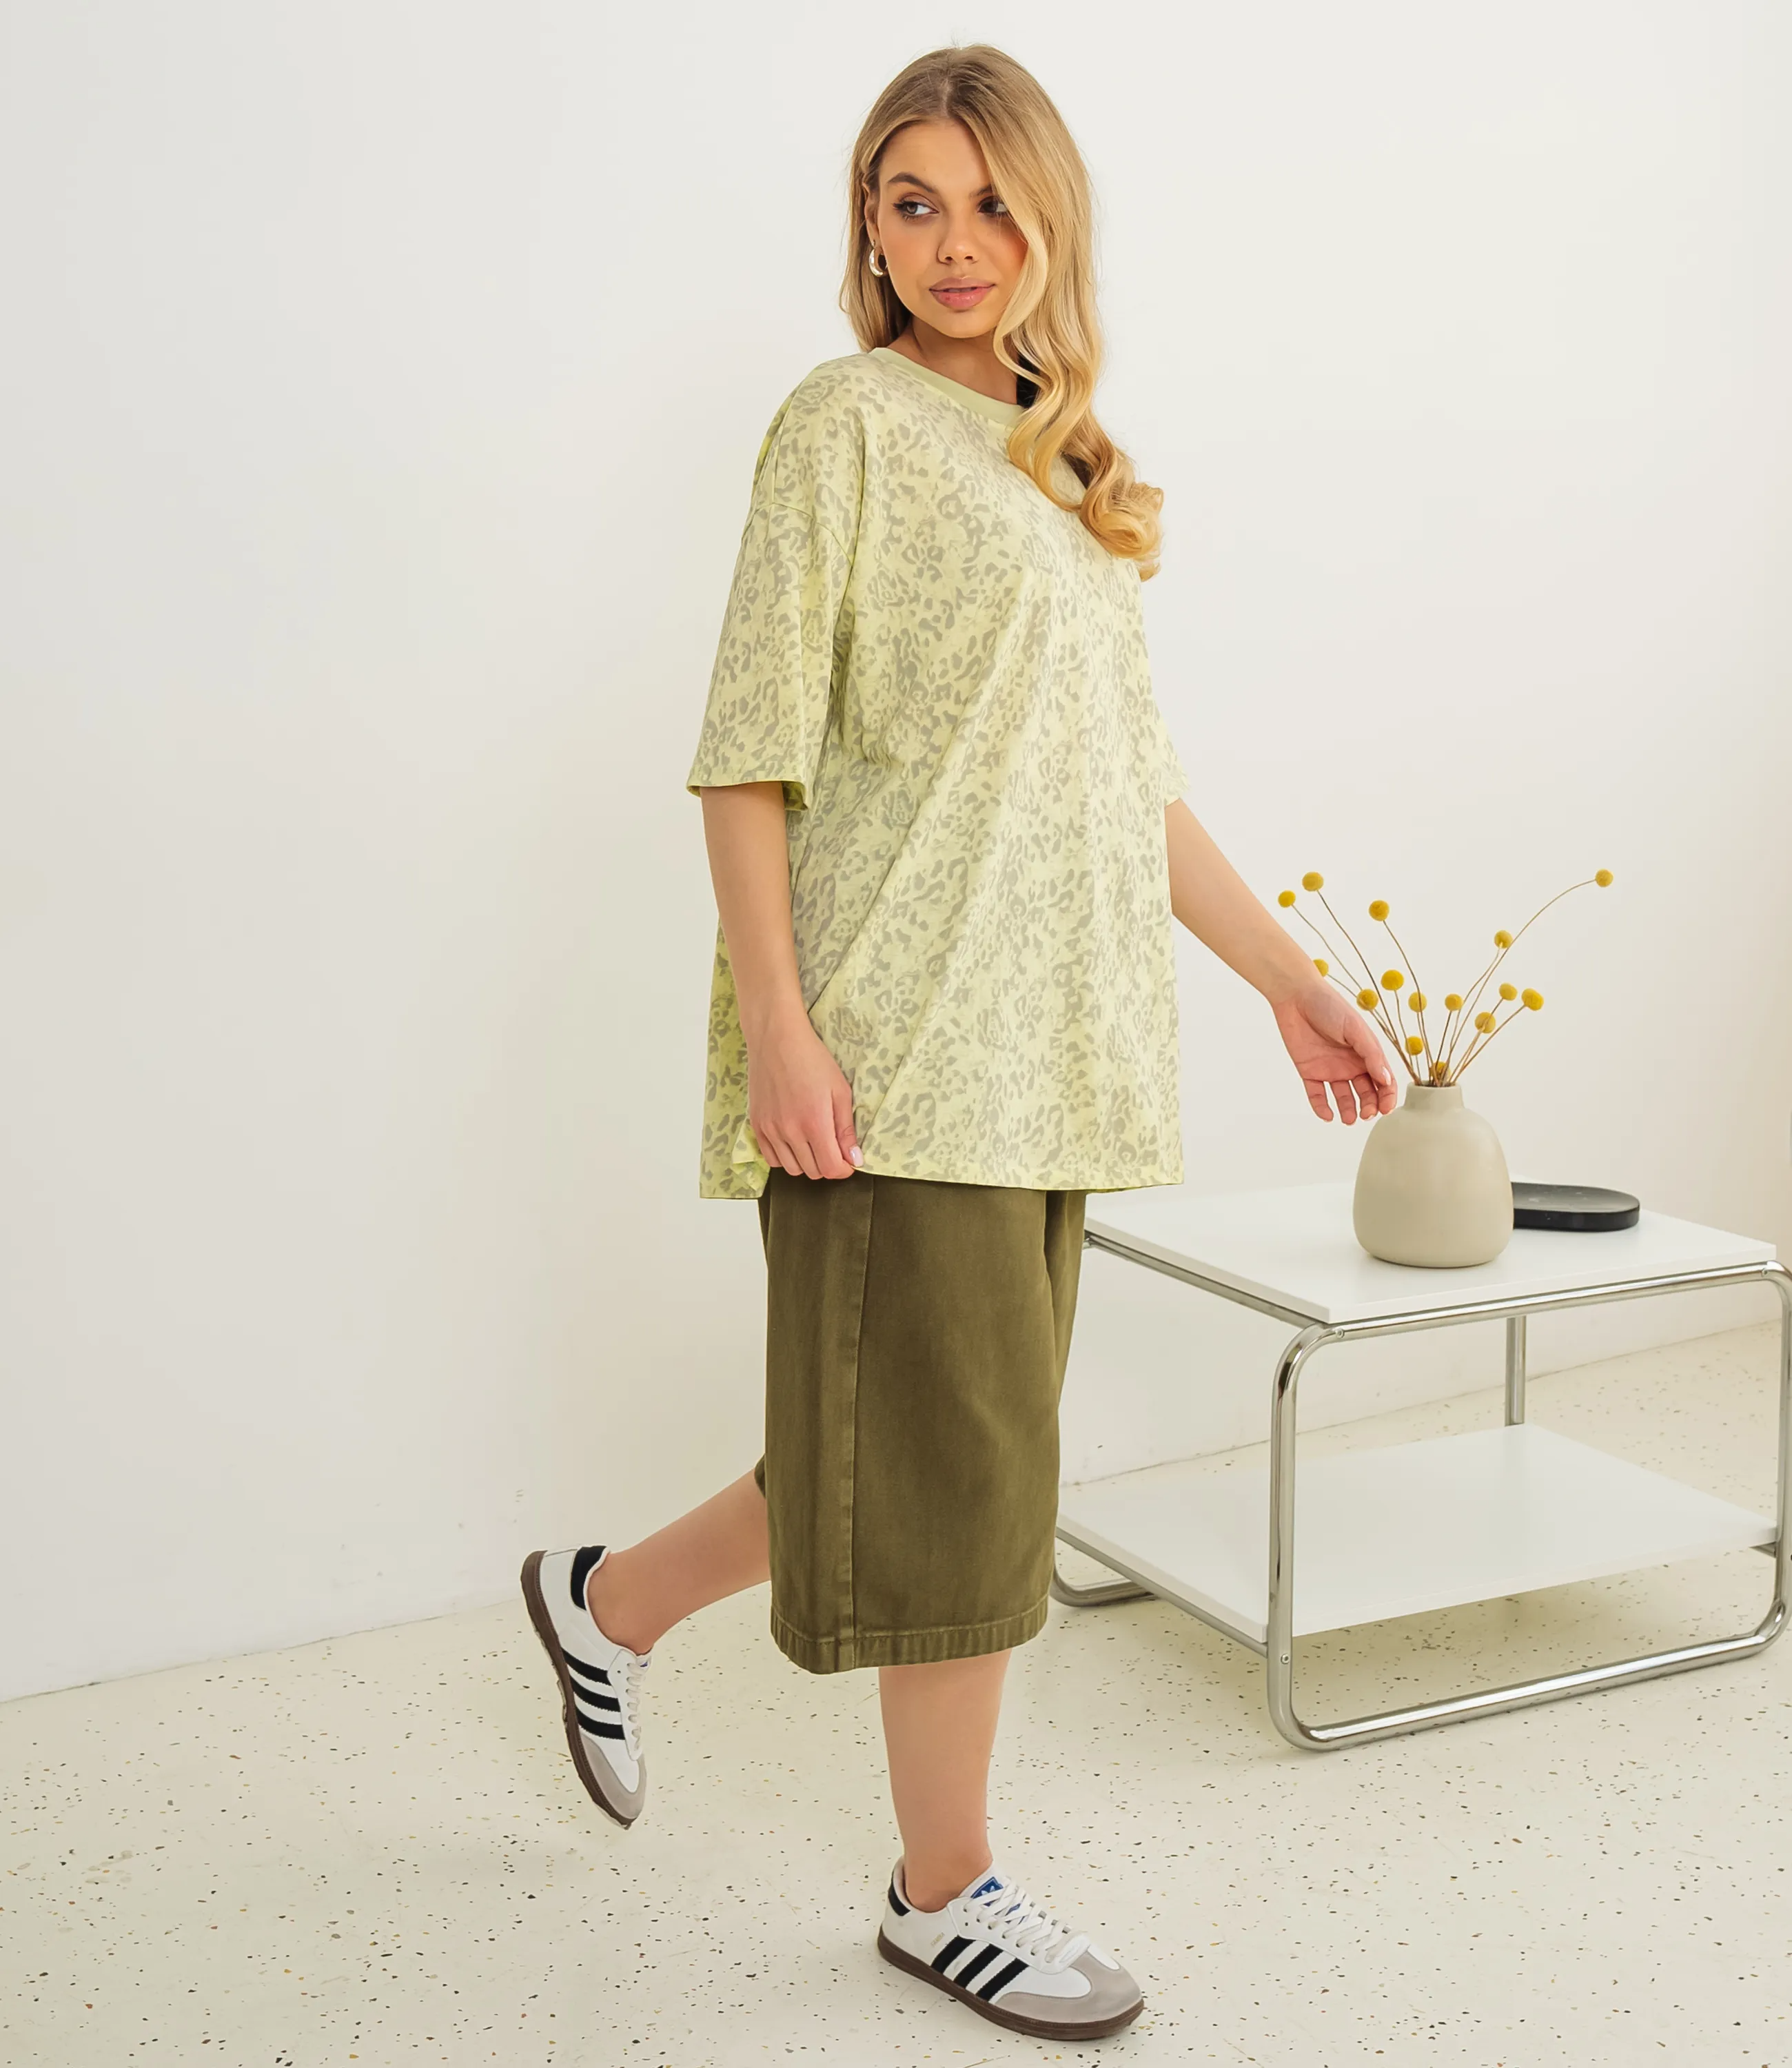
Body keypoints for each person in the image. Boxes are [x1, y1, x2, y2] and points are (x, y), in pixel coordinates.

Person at [522, 43, 1393, 2043]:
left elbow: (1132, 787)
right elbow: (747, 756)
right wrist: (783, 1031)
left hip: (1051, 1052)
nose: (954, 242)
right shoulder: (841, 425)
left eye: (991, 202)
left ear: (1051, 216)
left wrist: (1287, 977)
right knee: (969, 1471)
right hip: (898, 1041)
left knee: (911, 1448)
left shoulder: (1066, 460)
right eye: (910, 202)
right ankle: (944, 1893)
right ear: (869, 226)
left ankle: (602, 1603)